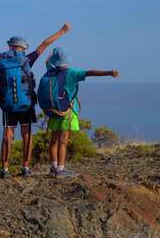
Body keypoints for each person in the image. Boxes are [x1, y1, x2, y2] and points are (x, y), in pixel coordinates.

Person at [0, 23, 70, 178]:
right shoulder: (27, 59)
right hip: (26, 104)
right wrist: (62, 31)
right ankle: (25, 168)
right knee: (26, 134)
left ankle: (5, 169)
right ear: (23, 48)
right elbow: (45, 44)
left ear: (10, 47)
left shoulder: (1, 58)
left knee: (8, 135)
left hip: (8, 104)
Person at [38, 47, 119, 178]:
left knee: (53, 139)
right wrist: (109, 72)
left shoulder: (51, 70)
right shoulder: (72, 73)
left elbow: (47, 61)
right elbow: (90, 73)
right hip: (67, 111)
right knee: (63, 140)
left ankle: (53, 168)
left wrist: (52, 54)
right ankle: (61, 170)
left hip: (54, 110)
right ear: (67, 60)